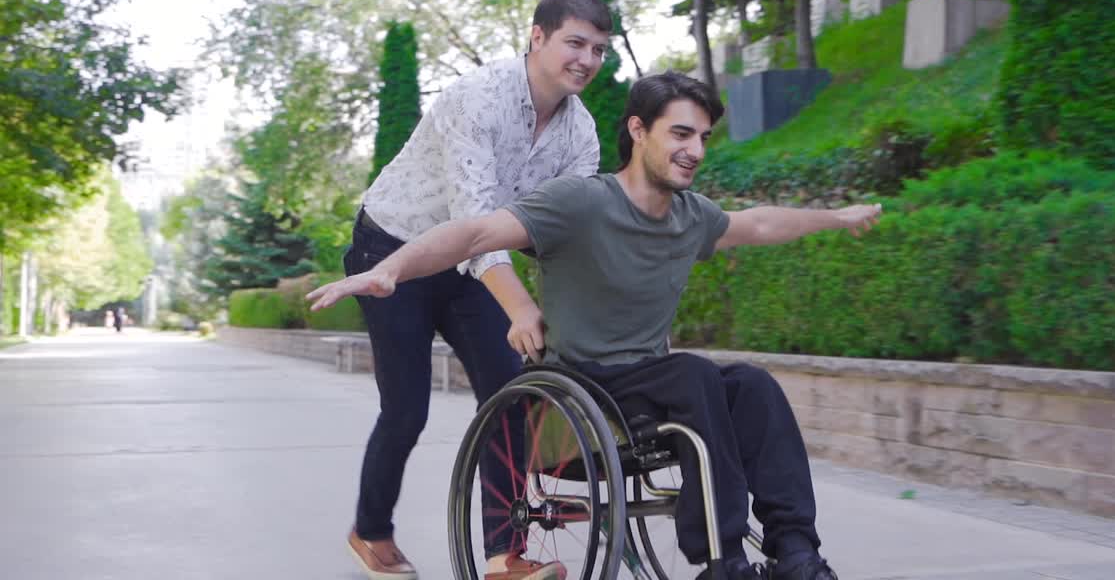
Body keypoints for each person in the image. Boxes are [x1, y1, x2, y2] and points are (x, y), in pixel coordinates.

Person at [309, 72, 881, 580]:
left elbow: (757, 225)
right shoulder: (580, 203)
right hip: (581, 390)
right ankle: (721, 559)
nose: (695, 151)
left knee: (753, 385)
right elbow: (475, 233)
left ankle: (796, 551)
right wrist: (390, 269)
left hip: (655, 383)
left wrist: (837, 217)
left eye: (704, 138)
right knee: (694, 374)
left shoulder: (690, 216)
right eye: (681, 134)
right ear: (639, 130)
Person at [342, 0, 614, 580]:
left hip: (474, 264)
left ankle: (503, 557)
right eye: (575, 43)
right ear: (537, 37)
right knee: (406, 409)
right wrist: (520, 308)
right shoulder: (476, 98)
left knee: (508, 394)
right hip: (395, 249)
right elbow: (473, 224)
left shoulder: (581, 133)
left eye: (599, 49)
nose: (588, 60)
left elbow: (566, 230)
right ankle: (371, 529)